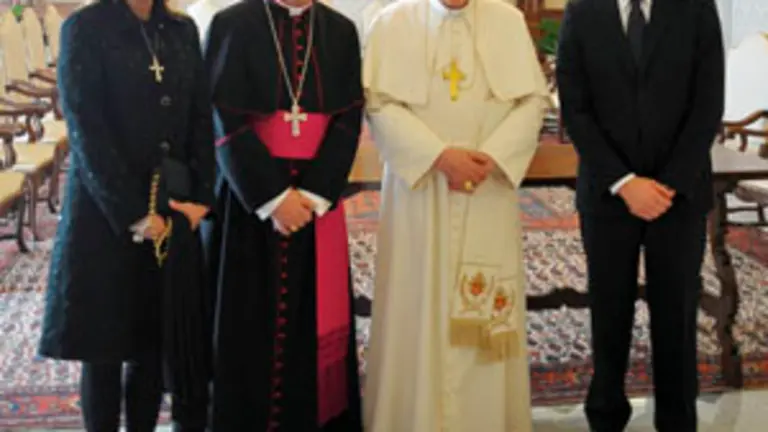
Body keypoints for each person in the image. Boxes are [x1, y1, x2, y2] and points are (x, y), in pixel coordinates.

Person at [362, 0, 548, 430]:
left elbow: (532, 100)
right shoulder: (393, 22)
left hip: (487, 187)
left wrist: (492, 157)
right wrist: (440, 157)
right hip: (421, 191)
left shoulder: (508, 20)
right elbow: (379, 104)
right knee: (416, 301)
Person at [37, 0, 215, 431]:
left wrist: (201, 198)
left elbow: (200, 119)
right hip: (104, 219)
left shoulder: (181, 31)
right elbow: (87, 133)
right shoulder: (84, 28)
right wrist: (134, 212)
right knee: (104, 351)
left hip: (170, 210)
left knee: (151, 345)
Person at [556, 0, 724, 430]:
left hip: (678, 195)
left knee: (677, 314)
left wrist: (670, 182)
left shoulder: (696, 8)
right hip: (608, 193)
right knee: (609, 311)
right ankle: (606, 416)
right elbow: (574, 108)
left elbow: (707, 104)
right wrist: (624, 182)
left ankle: (676, 419)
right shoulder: (582, 10)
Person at [201, 0, 363, 430]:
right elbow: (221, 117)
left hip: (315, 205)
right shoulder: (232, 25)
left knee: (313, 319)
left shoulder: (340, 31)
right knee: (245, 320)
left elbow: (349, 119)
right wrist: (272, 198)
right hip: (249, 205)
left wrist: (314, 192)